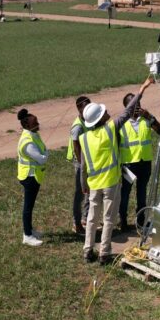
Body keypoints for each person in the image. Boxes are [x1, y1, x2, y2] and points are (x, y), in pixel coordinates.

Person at [80, 77, 154, 263]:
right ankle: (104, 252)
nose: (108, 113)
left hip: (93, 184)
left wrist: (84, 185)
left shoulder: (84, 138)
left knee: (91, 219)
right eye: (105, 112)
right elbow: (128, 111)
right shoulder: (110, 129)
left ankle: (88, 250)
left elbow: (83, 166)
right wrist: (143, 87)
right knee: (108, 219)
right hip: (111, 183)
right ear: (100, 117)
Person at [118, 92, 160, 231]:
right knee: (125, 193)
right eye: (133, 105)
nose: (137, 107)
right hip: (128, 164)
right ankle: (123, 221)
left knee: (142, 193)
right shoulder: (121, 123)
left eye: (139, 104)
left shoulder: (146, 120)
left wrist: (150, 116)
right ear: (127, 107)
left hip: (145, 163)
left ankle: (141, 220)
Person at [16, 108, 48, 247]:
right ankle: (27, 236)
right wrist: (47, 153)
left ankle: (30, 230)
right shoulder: (28, 142)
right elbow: (42, 158)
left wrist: (45, 153)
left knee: (30, 206)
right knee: (28, 207)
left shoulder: (33, 134)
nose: (38, 123)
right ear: (27, 125)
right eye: (35, 122)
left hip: (33, 175)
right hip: (30, 177)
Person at [66, 96, 91, 236]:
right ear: (79, 108)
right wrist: (83, 166)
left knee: (89, 190)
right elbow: (76, 147)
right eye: (85, 107)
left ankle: (86, 219)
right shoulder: (78, 126)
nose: (88, 109)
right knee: (80, 193)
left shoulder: (88, 121)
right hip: (81, 163)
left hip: (89, 161)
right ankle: (77, 224)